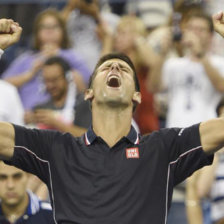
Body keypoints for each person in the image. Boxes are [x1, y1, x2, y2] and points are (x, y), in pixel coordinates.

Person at [1, 13, 224, 224]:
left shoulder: (163, 148)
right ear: (88, 92)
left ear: (137, 96)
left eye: (124, 70)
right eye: (106, 67)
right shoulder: (57, 148)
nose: (115, 67)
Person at [2, 8, 90, 111]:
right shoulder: (26, 59)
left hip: (63, 117)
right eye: (44, 27)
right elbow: (3, 86)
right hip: (27, 119)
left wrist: (60, 60)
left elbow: (86, 88)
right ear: (37, 32)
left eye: (54, 26)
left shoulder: (73, 56)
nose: (49, 31)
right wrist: (29, 74)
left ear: (63, 31)